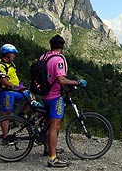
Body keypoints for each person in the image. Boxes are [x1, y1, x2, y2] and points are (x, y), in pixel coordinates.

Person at [42, 34, 85, 168]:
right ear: (62, 46)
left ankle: (48, 148)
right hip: (55, 97)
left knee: (48, 124)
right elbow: (61, 80)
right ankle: (52, 158)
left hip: (44, 95)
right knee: (55, 126)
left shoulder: (44, 57)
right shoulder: (58, 60)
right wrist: (76, 82)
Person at [0, 44, 31, 143]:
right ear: (8, 55)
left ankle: (20, 114)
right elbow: (3, 81)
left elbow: (14, 78)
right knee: (6, 113)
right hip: (6, 92)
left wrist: (20, 86)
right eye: (13, 54)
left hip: (15, 91)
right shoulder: (0, 67)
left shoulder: (12, 65)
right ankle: (5, 138)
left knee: (29, 97)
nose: (14, 56)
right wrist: (14, 87)